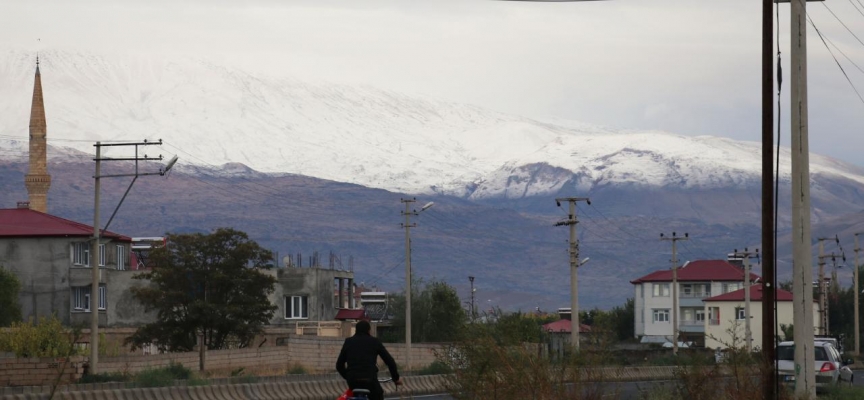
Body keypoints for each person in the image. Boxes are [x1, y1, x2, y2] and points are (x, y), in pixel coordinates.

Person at [336, 320, 402, 400]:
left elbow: (339, 365)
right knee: (378, 394)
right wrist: (396, 378)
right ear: (368, 331)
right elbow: (390, 361)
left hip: (353, 381)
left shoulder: (348, 342)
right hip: (369, 380)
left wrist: (348, 376)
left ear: (356, 330)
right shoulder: (375, 341)